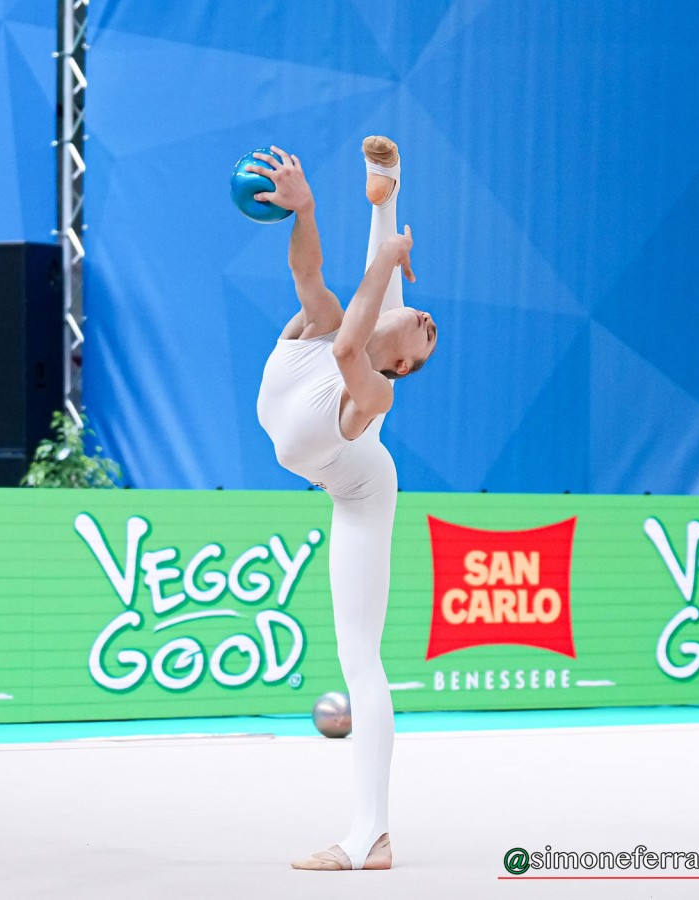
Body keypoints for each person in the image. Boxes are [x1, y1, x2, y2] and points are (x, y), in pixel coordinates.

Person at [248, 137, 437, 871]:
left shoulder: (374, 391)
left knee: (360, 656)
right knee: (354, 301)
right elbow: (309, 272)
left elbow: (353, 348)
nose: (427, 322)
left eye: (427, 339)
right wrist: (305, 209)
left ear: (404, 368)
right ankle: (385, 187)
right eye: (423, 317)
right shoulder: (323, 321)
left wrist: (386, 259)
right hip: (316, 435)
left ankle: (371, 835)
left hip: (361, 487)